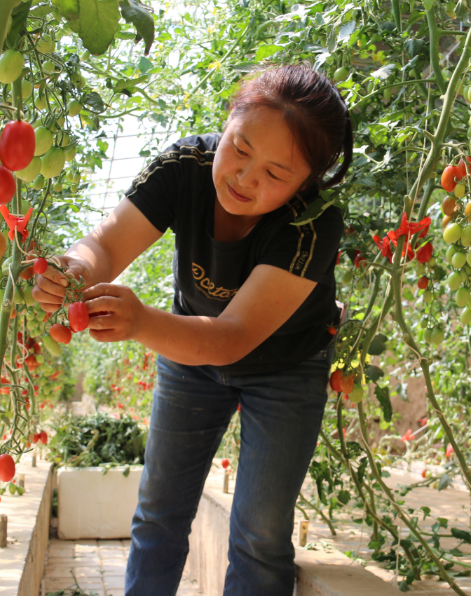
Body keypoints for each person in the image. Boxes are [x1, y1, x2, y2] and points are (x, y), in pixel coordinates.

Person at [32, 63, 353, 595]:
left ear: (308, 180)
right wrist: (76, 269)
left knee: (260, 532)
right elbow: (107, 244)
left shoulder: (313, 220)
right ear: (228, 120)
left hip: (285, 369)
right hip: (188, 357)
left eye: (276, 174)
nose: (246, 178)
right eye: (241, 148)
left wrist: (140, 321)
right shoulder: (184, 166)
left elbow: (230, 337)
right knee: (158, 512)